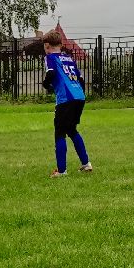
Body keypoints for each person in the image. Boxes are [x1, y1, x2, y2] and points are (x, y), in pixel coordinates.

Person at [44, 31, 92, 176]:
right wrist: (80, 94)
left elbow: (51, 73)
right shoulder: (69, 58)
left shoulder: (50, 57)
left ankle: (61, 170)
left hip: (66, 99)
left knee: (59, 133)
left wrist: (46, 85)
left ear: (47, 46)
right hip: (79, 97)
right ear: (61, 44)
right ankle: (86, 164)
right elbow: (81, 78)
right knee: (71, 130)